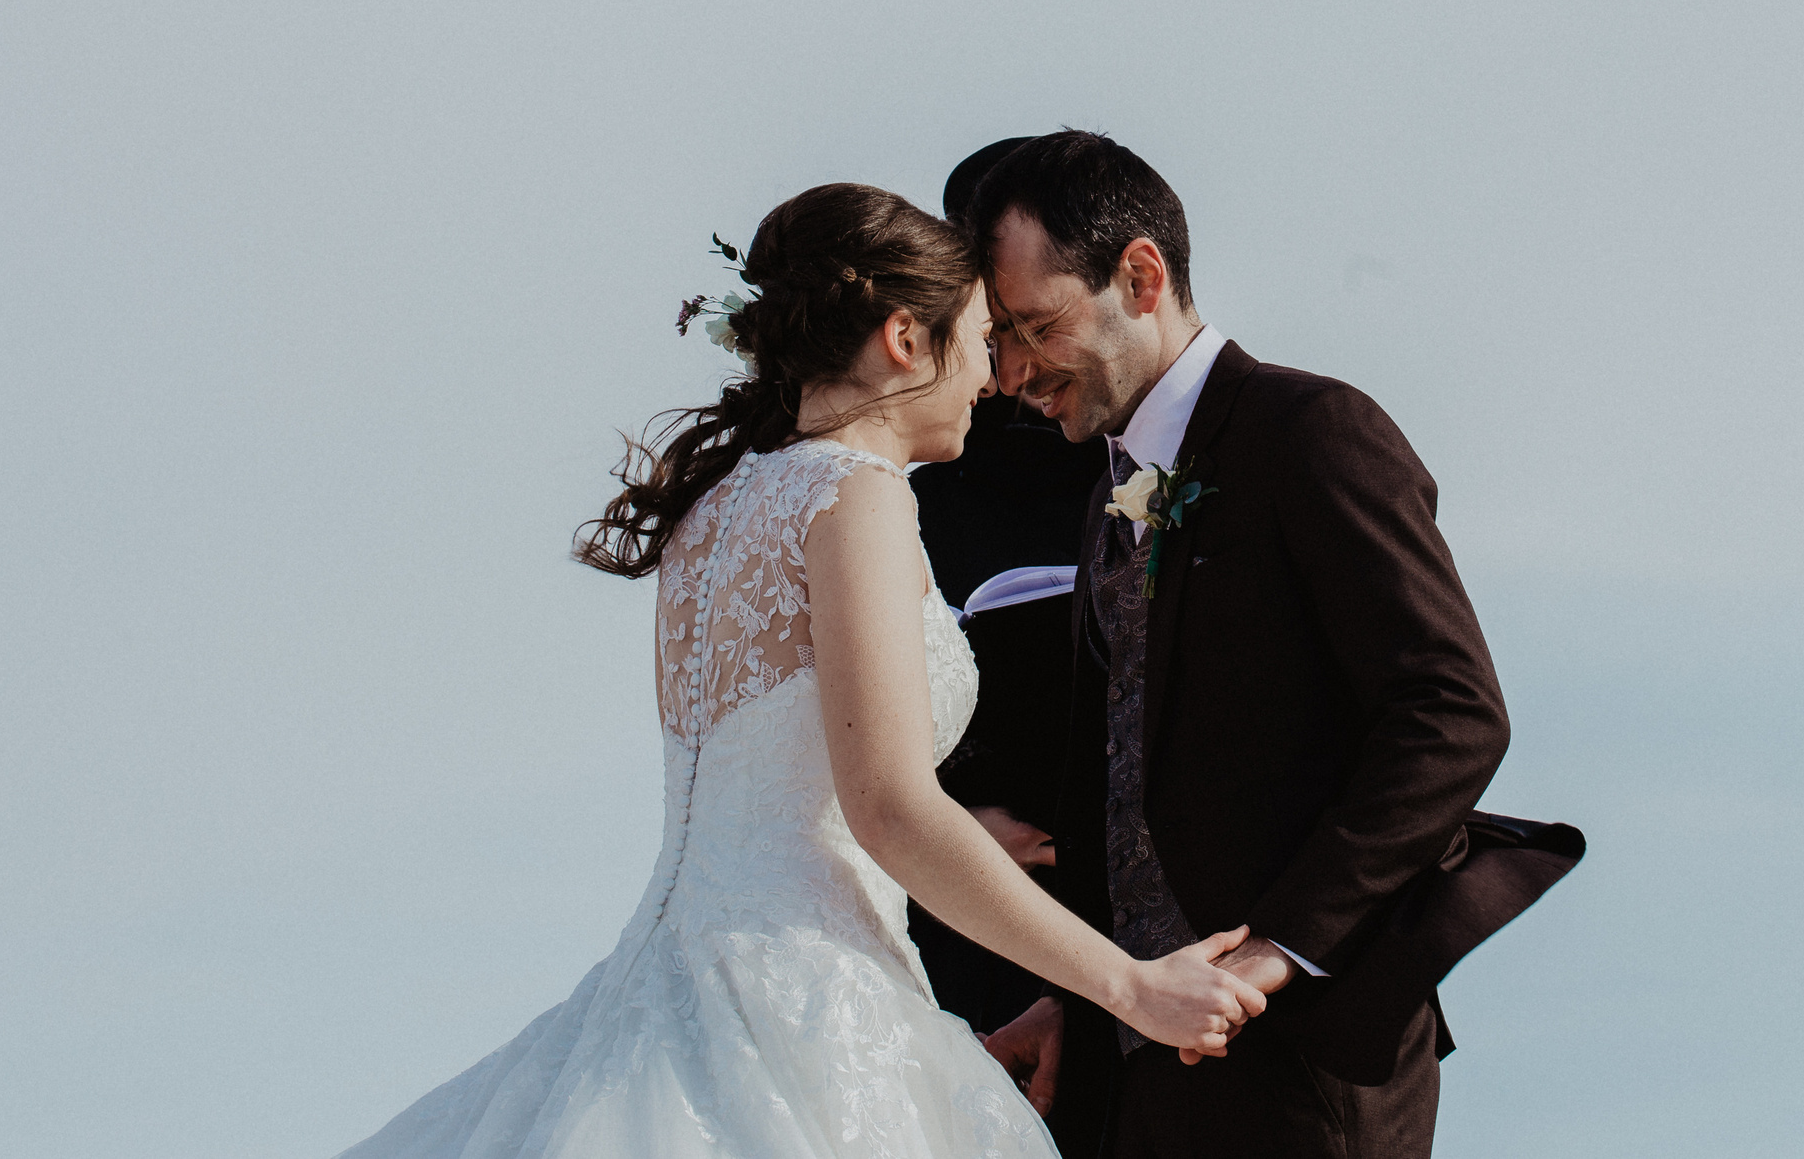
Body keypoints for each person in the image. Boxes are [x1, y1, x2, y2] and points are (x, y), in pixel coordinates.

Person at [330, 182, 1266, 1159]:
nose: (992, 380)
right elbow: (891, 809)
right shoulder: (854, 497)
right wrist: (1130, 984)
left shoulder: (715, 511)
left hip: (660, 993)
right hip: (799, 1004)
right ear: (906, 338)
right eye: (981, 340)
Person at [970, 132, 1513, 1159]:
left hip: (1304, 1056)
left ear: (1140, 275)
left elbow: (1449, 715)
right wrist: (1081, 1004)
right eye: (995, 339)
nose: (1009, 373)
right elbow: (1122, 783)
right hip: (1145, 1063)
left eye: (1033, 328)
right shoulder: (1103, 499)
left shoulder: (1310, 430)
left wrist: (1279, 949)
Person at [909, 139, 1114, 1154]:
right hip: (956, 935)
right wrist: (950, 823)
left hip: (1134, 922)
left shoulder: (1151, 462)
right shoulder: (904, 473)